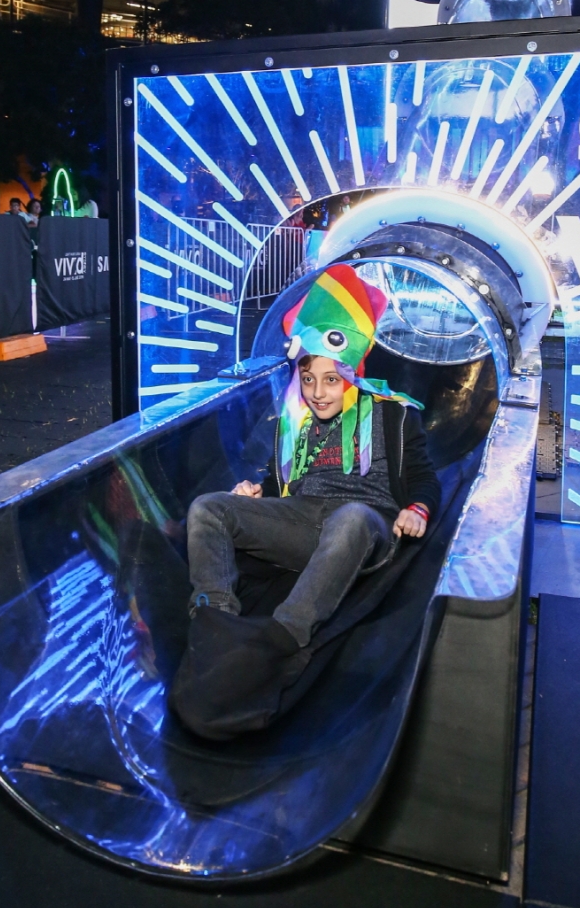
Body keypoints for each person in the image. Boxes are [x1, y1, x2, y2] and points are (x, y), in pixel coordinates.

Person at [182, 264, 438, 656]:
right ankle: (214, 618)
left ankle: (286, 633)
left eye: (331, 380)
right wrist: (257, 492)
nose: (318, 392)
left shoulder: (392, 414)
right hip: (303, 521)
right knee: (207, 508)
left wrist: (417, 509)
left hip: (365, 526)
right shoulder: (294, 422)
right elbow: (279, 482)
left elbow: (423, 476)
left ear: (351, 373)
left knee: (350, 517)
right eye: (308, 379)